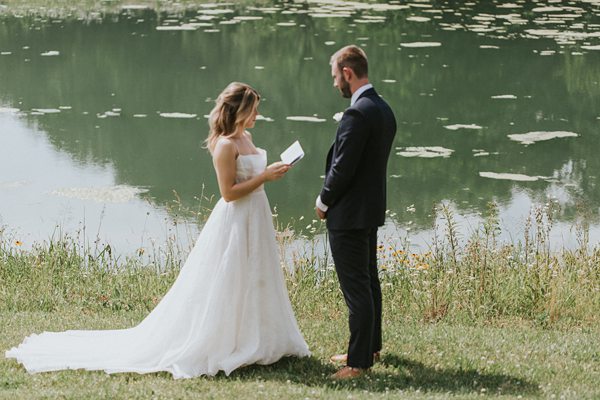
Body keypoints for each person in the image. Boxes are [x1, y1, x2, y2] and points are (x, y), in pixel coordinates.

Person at [6, 82, 310, 378]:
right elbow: (228, 193)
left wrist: (272, 173)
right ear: (239, 110)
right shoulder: (226, 144)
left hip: (255, 216)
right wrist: (265, 178)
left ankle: (258, 338)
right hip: (236, 218)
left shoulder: (247, 137)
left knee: (257, 275)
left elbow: (251, 178)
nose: (257, 115)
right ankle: (227, 341)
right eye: (254, 109)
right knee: (229, 278)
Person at [315, 45, 397, 380]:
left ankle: (358, 363)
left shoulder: (356, 113)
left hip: (348, 215)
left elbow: (343, 168)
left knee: (356, 289)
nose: (335, 83)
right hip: (370, 210)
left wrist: (323, 202)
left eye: (336, 76)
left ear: (347, 73)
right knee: (368, 282)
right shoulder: (382, 108)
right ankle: (369, 348)